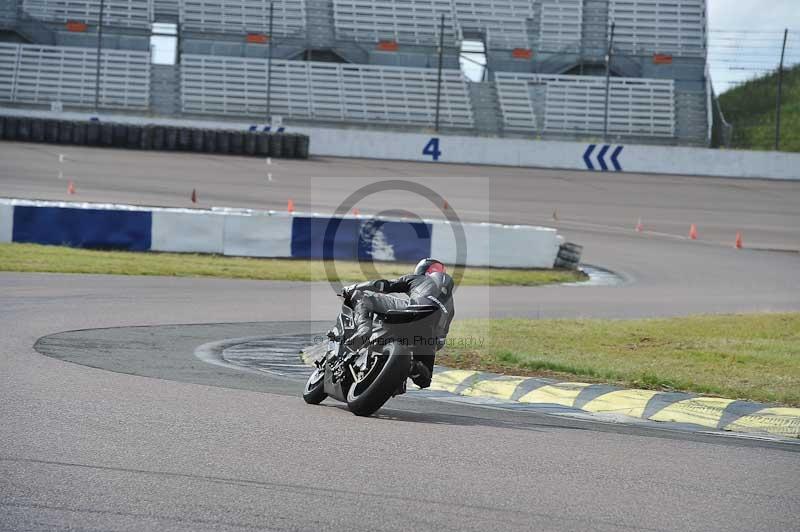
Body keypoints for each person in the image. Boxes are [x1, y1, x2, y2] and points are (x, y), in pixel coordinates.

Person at [341, 258, 455, 388]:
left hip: (413, 312)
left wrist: (352, 288)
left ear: (422, 270)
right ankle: (412, 367)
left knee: (364, 298)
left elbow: (383, 285)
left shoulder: (418, 279)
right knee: (424, 379)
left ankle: (363, 330)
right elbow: (441, 339)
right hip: (429, 338)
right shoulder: (451, 306)